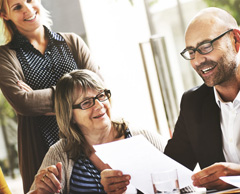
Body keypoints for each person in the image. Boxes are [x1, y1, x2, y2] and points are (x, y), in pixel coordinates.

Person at [164, 7, 240, 191]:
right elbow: (168, 171)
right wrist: (122, 181)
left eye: (206, 47)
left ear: (235, 40)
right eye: (191, 52)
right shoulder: (192, 104)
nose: (197, 61)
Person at [0, 0, 101, 192]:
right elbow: (24, 104)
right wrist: (78, 102)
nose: (28, 9)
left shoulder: (72, 42)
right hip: (41, 147)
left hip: (88, 142)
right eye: (17, 7)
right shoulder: (5, 56)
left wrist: (43, 103)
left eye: (29, 0)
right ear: (5, 15)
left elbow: (97, 88)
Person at [28, 69, 167, 194]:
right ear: (70, 115)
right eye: (87, 102)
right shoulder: (60, 153)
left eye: (101, 95)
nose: (100, 105)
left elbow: (185, 188)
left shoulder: (144, 137)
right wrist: (40, 192)